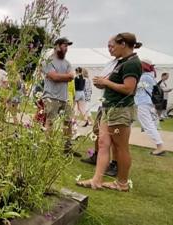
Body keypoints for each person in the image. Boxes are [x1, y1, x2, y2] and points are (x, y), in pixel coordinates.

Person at [77, 32, 142, 191]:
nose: (109, 49)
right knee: (103, 143)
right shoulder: (120, 62)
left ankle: (122, 183)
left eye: (112, 46)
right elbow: (114, 84)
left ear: (123, 44)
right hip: (109, 108)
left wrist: (105, 82)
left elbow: (129, 89)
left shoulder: (132, 63)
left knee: (120, 147)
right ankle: (96, 180)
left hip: (120, 110)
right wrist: (103, 83)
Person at [41, 37, 78, 155]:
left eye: (67, 46)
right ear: (57, 46)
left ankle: (67, 148)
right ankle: (49, 148)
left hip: (64, 97)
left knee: (68, 122)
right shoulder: (48, 62)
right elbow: (54, 77)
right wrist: (66, 76)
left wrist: (63, 76)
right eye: (64, 46)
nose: (66, 49)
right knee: (50, 122)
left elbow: (72, 76)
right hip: (51, 97)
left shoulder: (67, 63)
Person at [135, 59, 165, 156]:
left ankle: (160, 146)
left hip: (143, 102)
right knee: (149, 124)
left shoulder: (144, 77)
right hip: (148, 102)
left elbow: (136, 89)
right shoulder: (150, 76)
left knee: (148, 125)